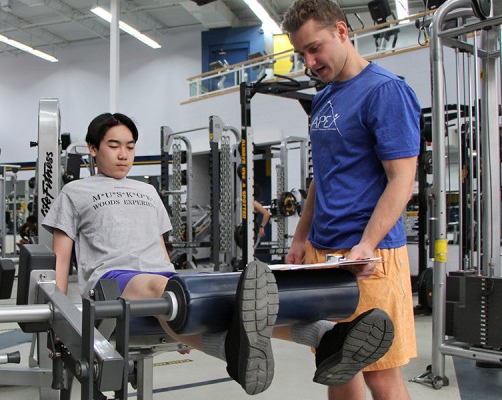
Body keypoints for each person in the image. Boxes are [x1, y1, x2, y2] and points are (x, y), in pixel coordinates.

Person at [42, 112, 396, 395]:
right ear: (93, 149)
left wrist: (185, 304)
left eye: (130, 147)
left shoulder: (147, 191)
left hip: (162, 281)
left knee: (235, 303)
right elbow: (61, 257)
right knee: (163, 289)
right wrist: (56, 313)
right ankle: (227, 337)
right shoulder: (75, 192)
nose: (123, 155)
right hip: (111, 282)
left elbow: (160, 251)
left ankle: (327, 336)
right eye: (113, 146)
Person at [281, 1, 420, 399]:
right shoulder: (324, 98)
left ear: (342, 31)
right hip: (322, 254)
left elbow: (401, 179)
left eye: (315, 48)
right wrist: (300, 237)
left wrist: (367, 244)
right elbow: (321, 176)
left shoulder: (385, 91)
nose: (310, 61)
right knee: (335, 366)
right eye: (301, 53)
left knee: (379, 374)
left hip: (370, 258)